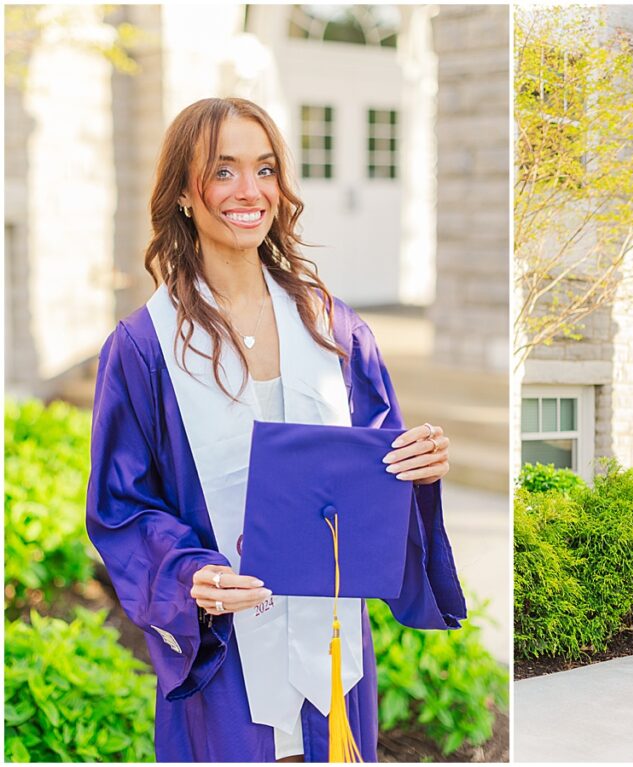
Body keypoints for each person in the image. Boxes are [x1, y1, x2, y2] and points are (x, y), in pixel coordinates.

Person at [86, 97, 466, 762]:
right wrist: (186, 574)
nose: (250, 190)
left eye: (264, 168)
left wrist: (416, 464)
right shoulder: (144, 347)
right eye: (223, 170)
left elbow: (376, 469)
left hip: (332, 650)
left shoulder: (332, 325)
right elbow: (120, 508)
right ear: (181, 191)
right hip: (228, 651)